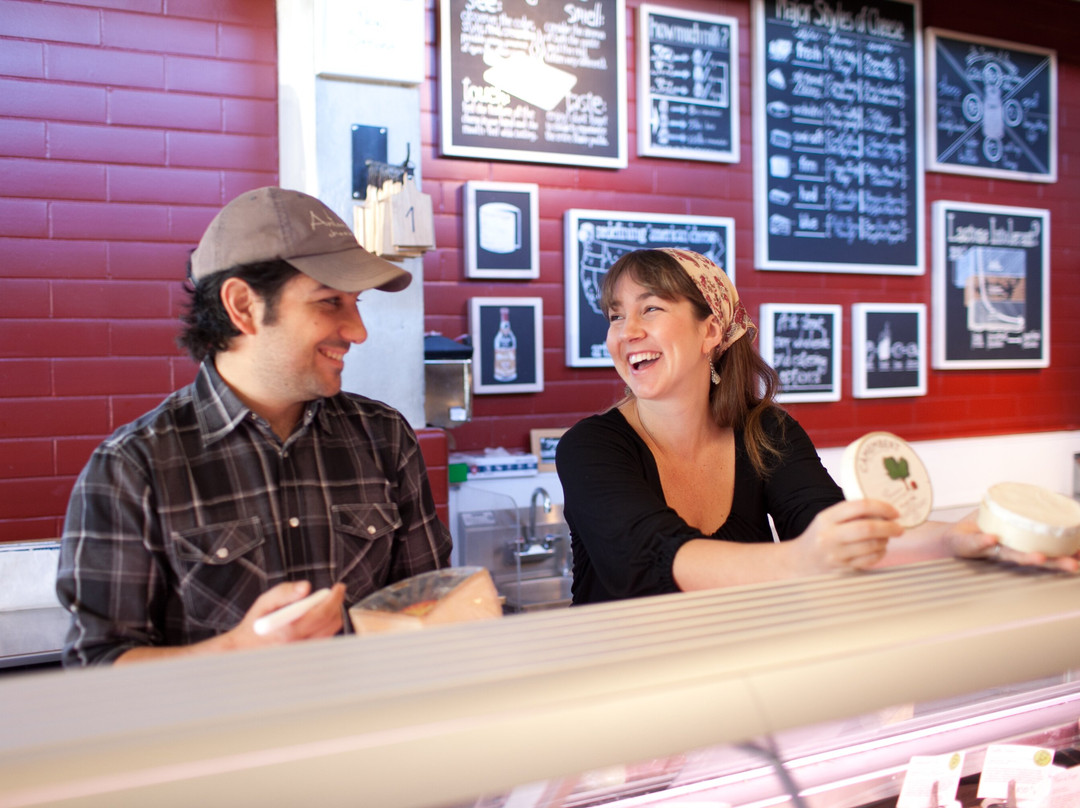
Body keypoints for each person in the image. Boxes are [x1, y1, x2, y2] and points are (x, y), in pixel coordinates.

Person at [57, 187, 452, 666]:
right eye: (330, 302)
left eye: (357, 302)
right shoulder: (132, 468)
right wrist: (239, 651)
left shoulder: (385, 436)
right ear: (242, 306)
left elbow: (426, 605)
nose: (358, 331)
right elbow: (95, 668)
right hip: (221, 740)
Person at [555, 248, 1077, 605]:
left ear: (711, 330)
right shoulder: (591, 449)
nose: (628, 331)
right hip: (620, 708)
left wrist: (962, 540)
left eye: (651, 308)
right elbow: (652, 559)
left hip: (745, 691)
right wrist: (803, 560)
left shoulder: (767, 433)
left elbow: (828, 524)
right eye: (616, 315)